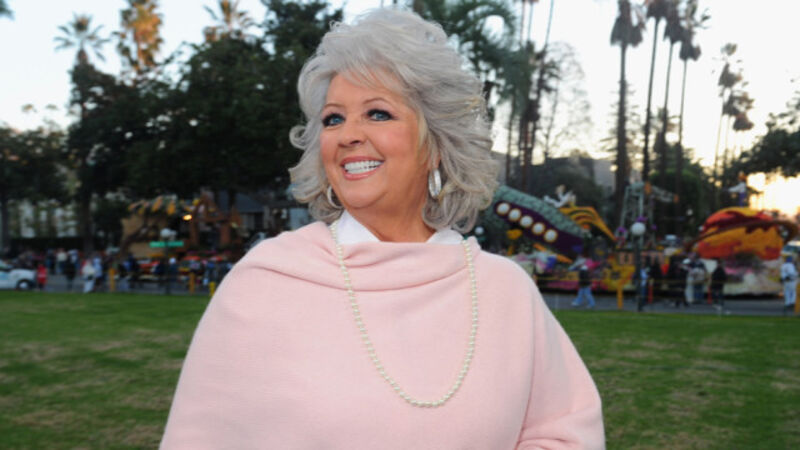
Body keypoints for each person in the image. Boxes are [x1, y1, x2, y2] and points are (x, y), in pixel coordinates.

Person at [161, 9, 604, 449]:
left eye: (377, 113)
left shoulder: (505, 291)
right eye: (333, 119)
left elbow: (565, 432)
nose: (348, 135)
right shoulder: (264, 282)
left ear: (436, 144)